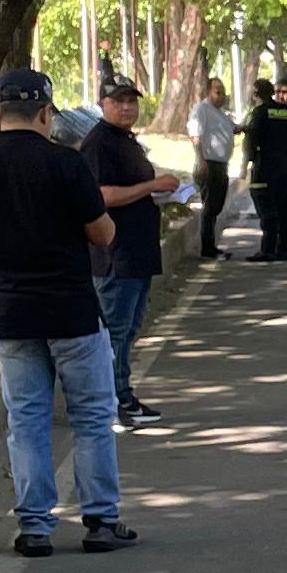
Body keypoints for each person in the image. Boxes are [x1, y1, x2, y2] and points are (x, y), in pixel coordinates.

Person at [0, 67, 134, 558]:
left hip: (10, 314)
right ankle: (100, 519)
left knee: (26, 420)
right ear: (46, 113)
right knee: (92, 417)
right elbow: (102, 234)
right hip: (72, 310)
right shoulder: (66, 165)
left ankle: (34, 526)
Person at [87, 73, 169, 429]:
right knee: (115, 332)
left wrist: (160, 191)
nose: (126, 107)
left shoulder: (126, 141)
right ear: (102, 104)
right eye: (118, 101)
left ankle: (123, 394)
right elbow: (103, 195)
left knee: (130, 329)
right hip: (115, 257)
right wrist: (152, 185)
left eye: (131, 100)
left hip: (138, 253)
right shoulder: (99, 143)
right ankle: (114, 400)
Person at [241, 73, 287, 262]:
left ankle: (267, 249)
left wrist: (247, 162)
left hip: (265, 169)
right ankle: (283, 249)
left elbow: (251, 141)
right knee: (284, 209)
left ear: (256, 95)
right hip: (286, 168)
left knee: (266, 209)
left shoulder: (259, 113)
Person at [186, 79, 236, 261]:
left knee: (216, 206)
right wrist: (201, 160)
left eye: (223, 92)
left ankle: (212, 245)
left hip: (221, 164)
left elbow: (232, 129)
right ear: (208, 92)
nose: (221, 96)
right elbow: (195, 135)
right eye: (217, 92)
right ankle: (207, 248)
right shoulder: (202, 110)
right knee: (210, 206)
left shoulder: (220, 113)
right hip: (210, 164)